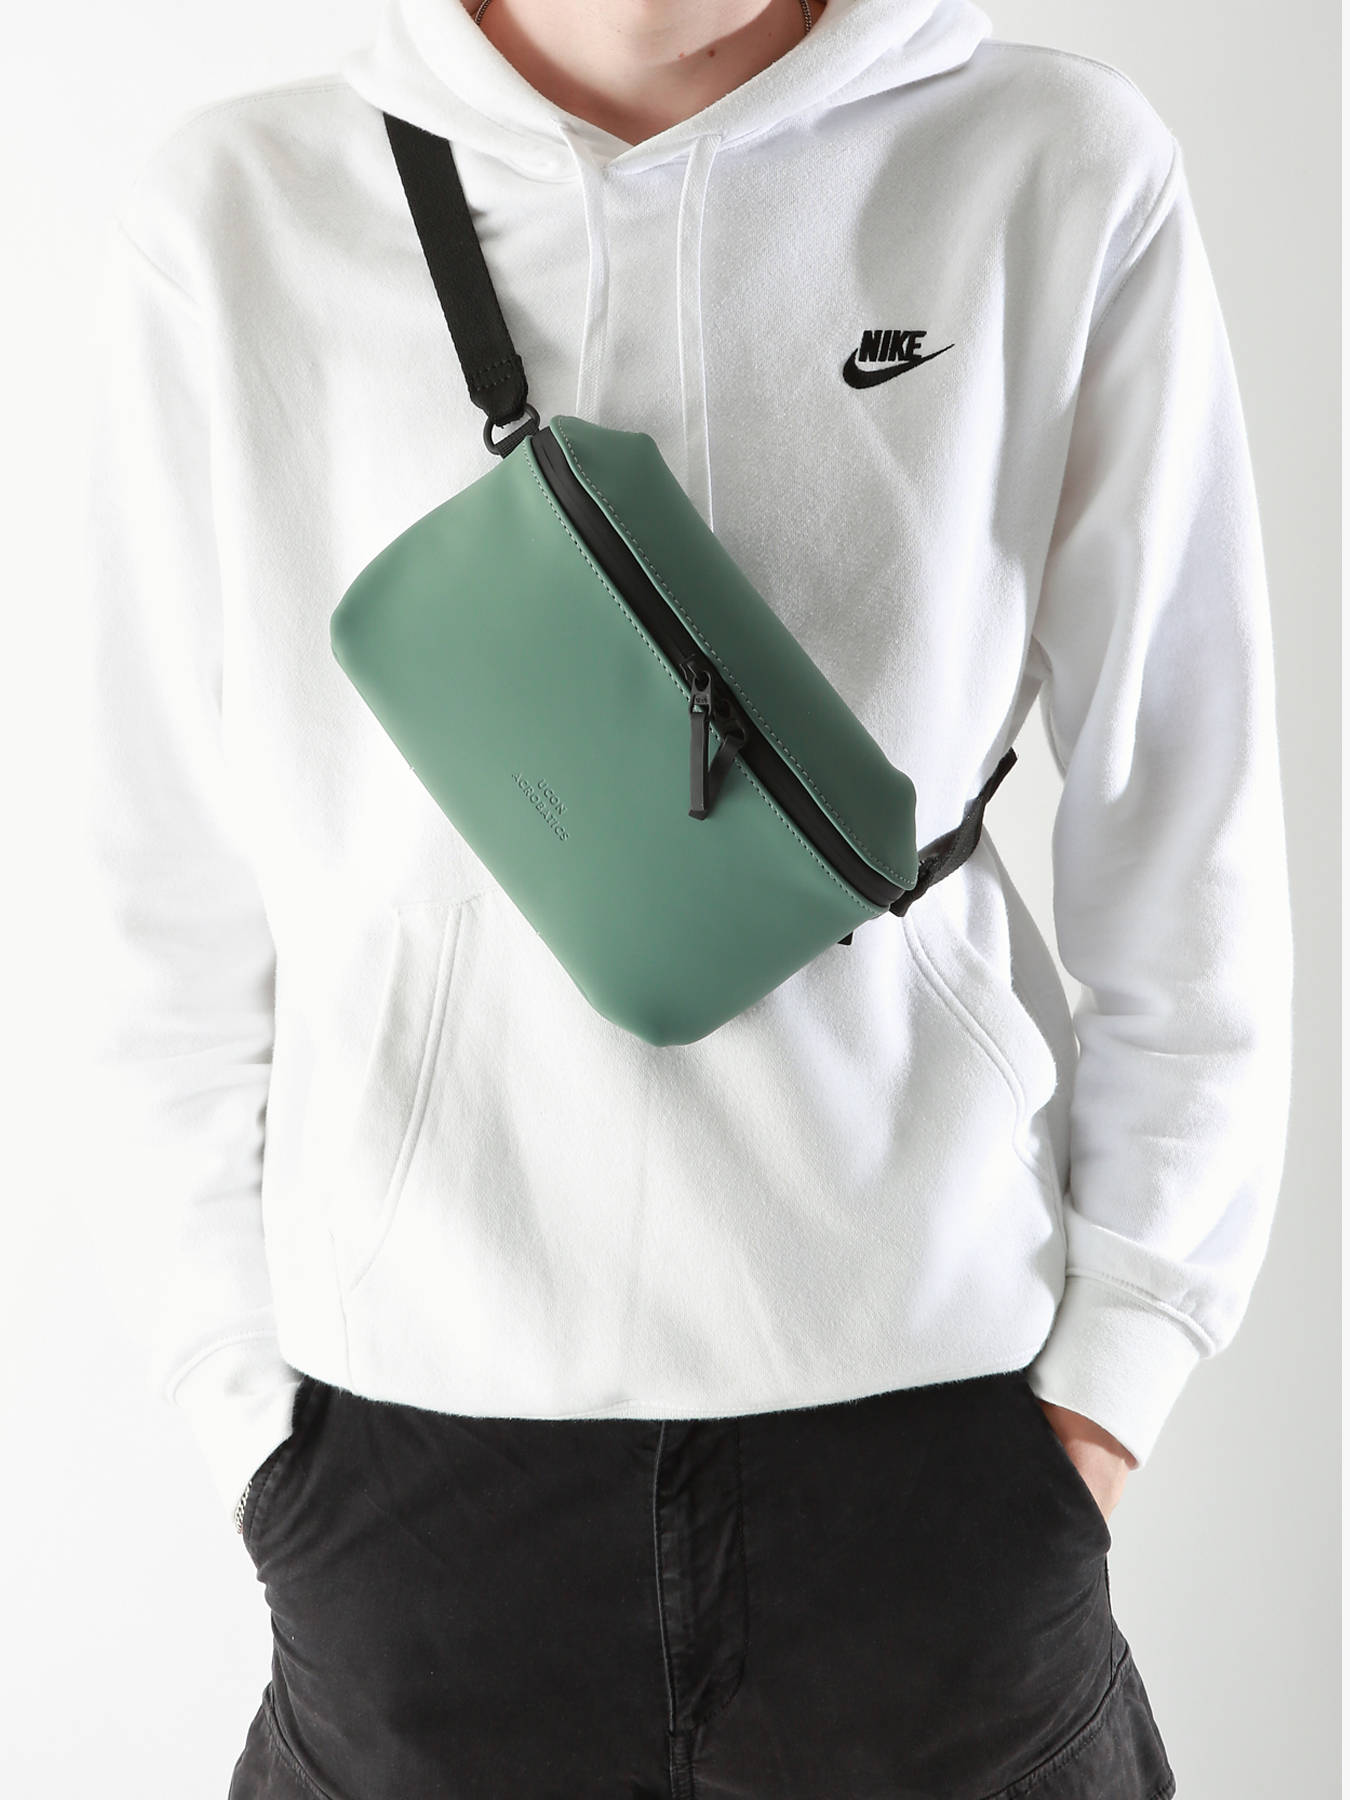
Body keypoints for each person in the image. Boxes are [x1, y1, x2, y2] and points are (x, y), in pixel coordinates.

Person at [82, 0, 1293, 1795]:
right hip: (404, 1478)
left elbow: (1187, 825)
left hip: (935, 1454)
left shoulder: (1045, 166)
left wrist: (1115, 1376)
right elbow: (154, 886)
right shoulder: (239, 210)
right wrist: (245, 1411)